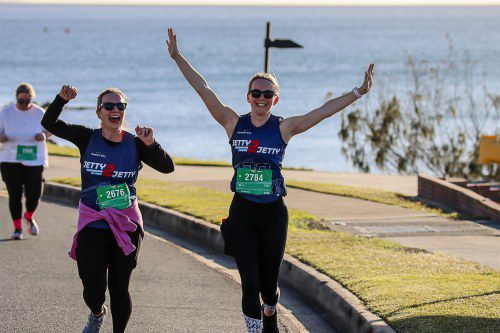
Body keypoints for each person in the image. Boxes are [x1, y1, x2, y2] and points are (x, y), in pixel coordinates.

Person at [166, 27, 374, 333]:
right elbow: (203, 88)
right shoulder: (232, 122)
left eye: (267, 94)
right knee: (249, 283)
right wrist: (176, 56)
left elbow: (322, 112)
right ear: (248, 97)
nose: (261, 98)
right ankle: (256, 330)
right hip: (242, 212)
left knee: (268, 285)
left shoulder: (283, 128)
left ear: (275, 100)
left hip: (274, 213)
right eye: (256, 93)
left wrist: (359, 92)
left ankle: (271, 312)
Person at [41, 85, 175, 333]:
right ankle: (96, 312)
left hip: (126, 223)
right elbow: (49, 122)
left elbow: (168, 167)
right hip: (93, 221)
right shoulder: (86, 138)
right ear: (99, 112)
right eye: (109, 106)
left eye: (120, 106)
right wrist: (61, 99)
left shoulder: (136, 144)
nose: (116, 110)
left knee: (119, 285)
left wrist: (152, 144)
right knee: (92, 286)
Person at [0, 83, 51, 240]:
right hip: (10, 159)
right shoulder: (5, 113)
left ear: (32, 99)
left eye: (27, 101)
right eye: (21, 101)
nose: (24, 104)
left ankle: (28, 216)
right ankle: (17, 229)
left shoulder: (40, 113)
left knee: (34, 194)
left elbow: (49, 131)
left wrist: (43, 136)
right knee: (15, 195)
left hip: (34, 159)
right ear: (16, 98)